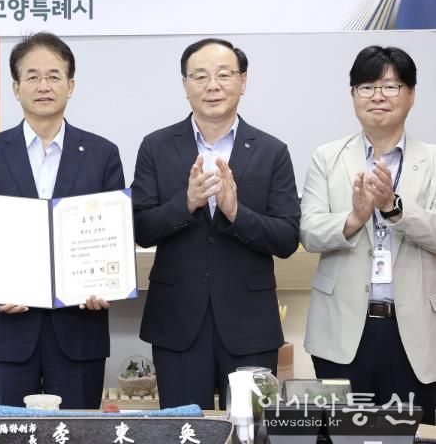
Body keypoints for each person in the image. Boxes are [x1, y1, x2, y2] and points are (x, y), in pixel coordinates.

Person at [0, 32, 125, 408]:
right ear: (16, 88)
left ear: (70, 85)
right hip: (8, 330)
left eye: (53, 76)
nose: (43, 86)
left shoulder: (102, 154)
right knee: (10, 430)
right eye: (32, 77)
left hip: (79, 329)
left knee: (76, 432)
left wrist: (106, 285)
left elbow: (115, 235)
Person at [132, 38, 300, 410]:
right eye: (200, 76)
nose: (212, 86)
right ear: (185, 84)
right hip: (177, 320)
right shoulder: (156, 147)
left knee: (251, 430)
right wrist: (186, 203)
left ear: (243, 81)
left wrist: (236, 212)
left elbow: (287, 238)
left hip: (250, 324)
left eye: (224, 74)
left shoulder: (272, 151)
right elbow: (140, 228)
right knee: (185, 430)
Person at [301, 46, 436, 424]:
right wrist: (354, 218)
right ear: (353, 95)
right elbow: (309, 231)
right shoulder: (327, 157)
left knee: (414, 434)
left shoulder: (433, 160)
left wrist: (394, 208)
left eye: (391, 86)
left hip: (416, 333)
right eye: (366, 87)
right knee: (342, 433)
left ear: (411, 94)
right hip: (341, 331)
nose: (378, 96)